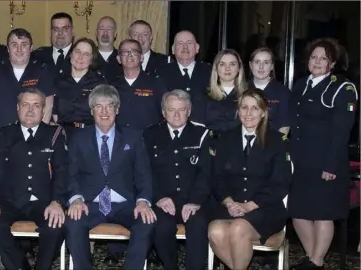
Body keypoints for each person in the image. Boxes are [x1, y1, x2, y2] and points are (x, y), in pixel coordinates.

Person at [64, 84, 156, 270]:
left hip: (125, 204)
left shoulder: (133, 137)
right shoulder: (78, 138)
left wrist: (143, 201)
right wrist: (76, 199)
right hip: (91, 204)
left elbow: (143, 175)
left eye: (110, 105)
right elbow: (70, 174)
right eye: (99, 106)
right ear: (92, 110)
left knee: (147, 222)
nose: (104, 111)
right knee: (73, 222)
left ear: (117, 109)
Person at [288, 38, 358, 270]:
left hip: (326, 162)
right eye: (313, 57)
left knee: (322, 214)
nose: (317, 62)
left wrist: (330, 166)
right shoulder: (300, 84)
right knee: (298, 212)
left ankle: (316, 261)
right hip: (300, 161)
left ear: (332, 63)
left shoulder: (342, 87)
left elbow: (341, 131)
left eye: (323, 58)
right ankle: (313, 260)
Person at [0, 88, 68, 270]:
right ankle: (20, 266)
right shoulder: (5, 134)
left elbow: (61, 171)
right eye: (25, 105)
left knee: (55, 226)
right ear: (18, 108)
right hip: (9, 200)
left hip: (42, 201)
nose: (30, 110)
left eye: (36, 106)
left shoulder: (54, 135)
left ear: (43, 110)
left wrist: (57, 201)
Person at [207, 88, 292, 270]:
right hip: (232, 207)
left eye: (254, 108)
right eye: (244, 107)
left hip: (265, 209)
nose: (249, 113)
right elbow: (216, 178)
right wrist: (229, 202)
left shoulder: (277, 141)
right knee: (215, 231)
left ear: (263, 112)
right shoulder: (225, 139)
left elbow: (280, 183)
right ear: (238, 111)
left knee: (238, 229)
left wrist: (249, 205)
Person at [144, 90, 212, 270]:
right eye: (171, 110)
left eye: (182, 110)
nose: (176, 115)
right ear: (163, 112)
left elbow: (207, 173)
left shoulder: (202, 134)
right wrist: (158, 197)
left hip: (193, 200)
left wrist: (195, 201)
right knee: (160, 227)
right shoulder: (150, 135)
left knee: (198, 226)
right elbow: (145, 172)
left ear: (189, 111)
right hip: (163, 200)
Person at [0, 28, 55, 139]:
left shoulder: (43, 71)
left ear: (31, 48)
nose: (19, 49)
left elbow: (48, 104)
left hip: (33, 138)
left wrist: (39, 135)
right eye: (14, 44)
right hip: (1, 138)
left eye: (24, 44)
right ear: (8, 48)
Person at [53, 37, 107, 137]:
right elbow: (54, 114)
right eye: (77, 52)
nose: (80, 57)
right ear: (71, 54)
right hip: (63, 135)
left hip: (89, 135)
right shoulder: (58, 81)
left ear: (91, 60)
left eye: (86, 54)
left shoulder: (99, 83)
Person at [155, 30, 211, 125]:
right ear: (173, 49)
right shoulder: (161, 73)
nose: (185, 47)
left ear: (197, 48)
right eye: (180, 43)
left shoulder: (210, 72)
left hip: (203, 130)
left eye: (189, 43)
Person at [110, 39, 168, 130]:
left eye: (134, 51)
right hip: (119, 141)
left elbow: (167, 113)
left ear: (141, 57)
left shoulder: (156, 84)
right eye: (125, 52)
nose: (129, 55)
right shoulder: (111, 86)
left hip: (148, 140)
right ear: (118, 59)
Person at [248, 47, 290, 135]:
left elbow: (284, 126)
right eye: (257, 62)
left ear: (272, 66)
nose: (261, 66)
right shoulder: (242, 89)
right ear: (251, 65)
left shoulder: (282, 92)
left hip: (272, 144)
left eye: (266, 62)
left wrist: (275, 146)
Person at [205, 49, 248, 133]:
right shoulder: (204, 95)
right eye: (222, 64)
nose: (227, 68)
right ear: (216, 68)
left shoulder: (248, 95)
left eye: (232, 64)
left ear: (239, 68)